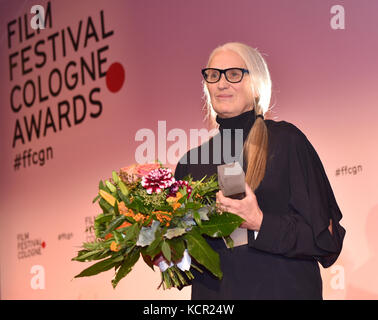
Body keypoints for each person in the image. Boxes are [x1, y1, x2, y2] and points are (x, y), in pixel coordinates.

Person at [174, 42, 346, 300]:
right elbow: (189, 270)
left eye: (233, 74)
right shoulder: (191, 163)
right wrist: (164, 252)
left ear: (257, 83)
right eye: (213, 75)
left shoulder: (287, 142)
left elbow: (327, 240)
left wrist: (260, 223)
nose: (222, 83)